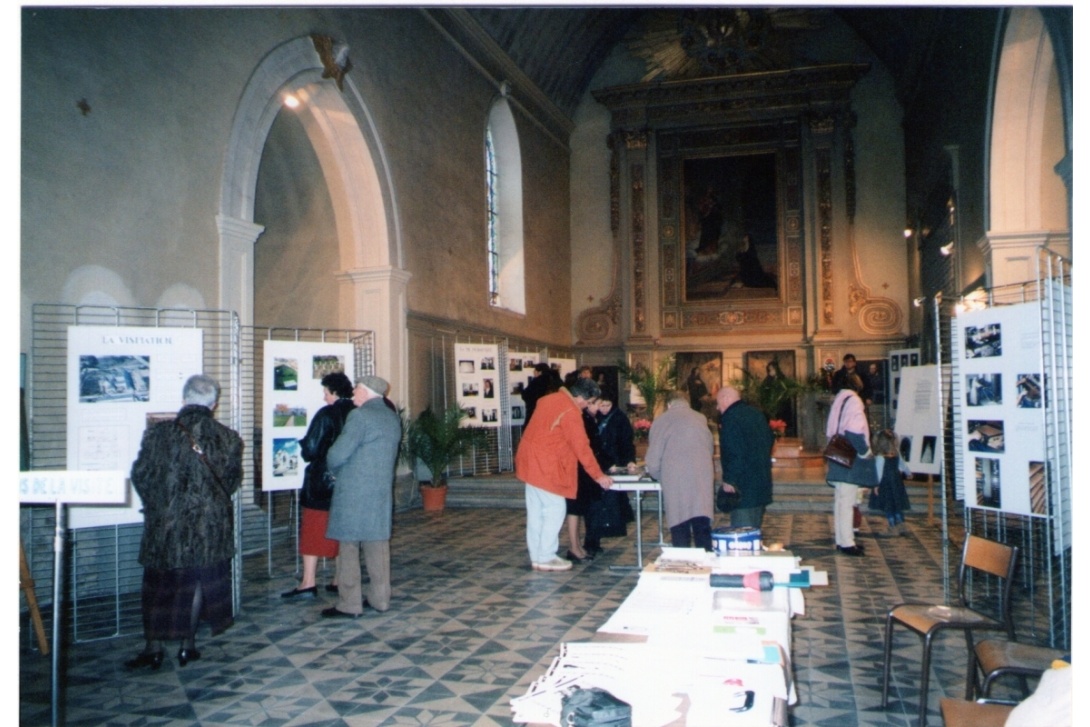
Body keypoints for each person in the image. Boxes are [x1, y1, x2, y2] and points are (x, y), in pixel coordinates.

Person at [125, 374, 243, 670]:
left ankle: (152, 648)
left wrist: (159, 505)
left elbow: (141, 475)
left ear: (183, 399)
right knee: (197, 583)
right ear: (214, 404)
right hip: (209, 526)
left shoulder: (158, 433)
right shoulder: (228, 437)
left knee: (158, 584)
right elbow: (230, 481)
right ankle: (187, 647)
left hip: (166, 523)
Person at [322, 375, 402, 618]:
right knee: (377, 546)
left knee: (348, 547)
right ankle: (380, 600)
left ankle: (349, 604)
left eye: (356, 389)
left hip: (354, 493)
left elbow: (337, 455)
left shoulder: (360, 416)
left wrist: (332, 469)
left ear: (366, 392)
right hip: (379, 492)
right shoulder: (391, 417)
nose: (353, 393)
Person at [515, 377, 613, 571]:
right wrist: (598, 476)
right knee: (555, 509)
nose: (588, 405)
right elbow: (581, 448)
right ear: (580, 397)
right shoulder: (570, 412)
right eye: (590, 401)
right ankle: (546, 557)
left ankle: (537, 556)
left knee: (536, 513)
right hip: (546, 467)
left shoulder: (549, 399)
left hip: (529, 462)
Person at [282, 371, 355, 600]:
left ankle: (308, 582)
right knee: (344, 532)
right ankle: (338, 578)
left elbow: (311, 450)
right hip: (349, 481)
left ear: (334, 392)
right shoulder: (357, 413)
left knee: (314, 529)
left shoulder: (326, 414)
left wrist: (304, 445)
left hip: (322, 483)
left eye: (325, 392)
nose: (324, 397)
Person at [645, 391, 715, 550]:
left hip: (675, 480)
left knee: (679, 524)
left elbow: (653, 458)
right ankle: (706, 564)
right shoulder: (700, 418)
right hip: (701, 478)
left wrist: (657, 476)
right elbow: (709, 448)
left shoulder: (662, 420)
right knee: (702, 524)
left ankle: (682, 565)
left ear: (668, 405)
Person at [825, 373, 877, 556]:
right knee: (847, 501)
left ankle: (841, 539)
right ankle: (847, 543)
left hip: (837, 453)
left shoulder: (839, 399)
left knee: (840, 500)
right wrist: (865, 452)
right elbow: (854, 431)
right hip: (850, 456)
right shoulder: (854, 400)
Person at [716, 384, 774, 530]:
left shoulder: (731, 418)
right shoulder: (757, 414)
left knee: (743, 533)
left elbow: (734, 452)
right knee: (754, 529)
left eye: (718, 403)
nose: (717, 408)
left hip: (742, 488)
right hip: (761, 483)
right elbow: (769, 441)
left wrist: (730, 480)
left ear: (726, 398)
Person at [870, 429, 912, 536]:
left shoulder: (880, 457)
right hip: (896, 482)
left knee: (888, 505)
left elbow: (879, 472)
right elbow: (902, 465)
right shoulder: (896, 454)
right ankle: (902, 525)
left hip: (885, 484)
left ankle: (892, 527)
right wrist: (908, 473)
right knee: (897, 503)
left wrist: (876, 485)